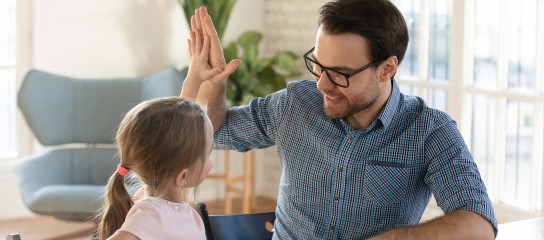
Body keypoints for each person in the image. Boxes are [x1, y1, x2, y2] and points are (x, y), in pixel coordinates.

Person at [183, 1, 498, 239]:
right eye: (319, 66)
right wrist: (214, 85)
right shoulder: (295, 104)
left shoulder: (429, 131)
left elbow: (478, 223)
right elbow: (216, 132)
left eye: (340, 74)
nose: (322, 84)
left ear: (387, 68)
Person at [96, 96, 214, 239]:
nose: (210, 160)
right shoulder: (153, 214)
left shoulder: (155, 207)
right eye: (209, 153)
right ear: (182, 176)